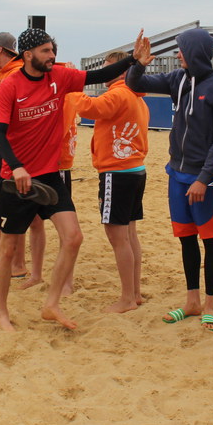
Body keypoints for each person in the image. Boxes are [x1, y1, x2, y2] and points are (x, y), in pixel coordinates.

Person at [0, 27, 136, 331]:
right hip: (16, 179)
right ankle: (2, 313)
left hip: (50, 174)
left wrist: (134, 58)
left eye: (52, 50)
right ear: (27, 54)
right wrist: (17, 167)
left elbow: (100, 75)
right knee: (8, 248)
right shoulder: (10, 85)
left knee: (73, 237)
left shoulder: (59, 76)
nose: (52, 55)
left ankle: (51, 304)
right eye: (45, 51)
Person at [127, 27, 213, 332]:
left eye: (182, 50)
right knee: (186, 239)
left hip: (204, 179)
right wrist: (138, 64)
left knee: (209, 241)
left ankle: (210, 304)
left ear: (195, 53)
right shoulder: (178, 79)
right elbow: (135, 83)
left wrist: (203, 178)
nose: (178, 55)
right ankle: (192, 301)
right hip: (176, 174)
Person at [73, 50, 149, 313]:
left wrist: (71, 86)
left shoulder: (119, 94)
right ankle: (134, 293)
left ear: (121, 70)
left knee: (118, 236)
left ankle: (127, 298)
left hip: (117, 172)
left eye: (107, 67)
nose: (103, 71)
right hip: (135, 170)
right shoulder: (137, 97)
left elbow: (88, 108)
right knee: (129, 234)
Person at [0, 31, 45, 281]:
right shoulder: (4, 73)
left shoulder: (14, 73)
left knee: (13, 206)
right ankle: (4, 259)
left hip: (9, 147)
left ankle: (16, 263)